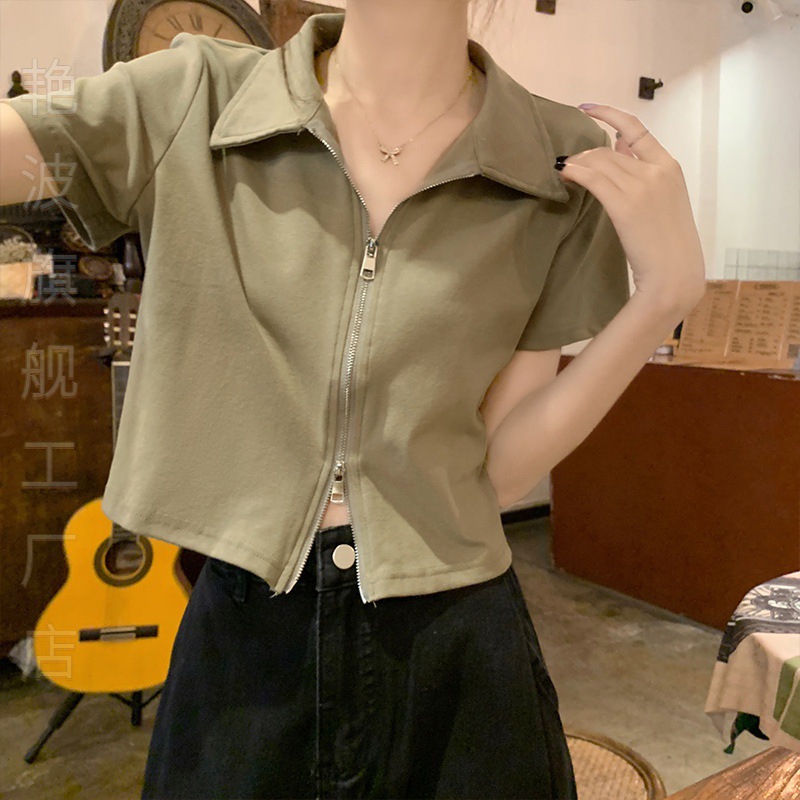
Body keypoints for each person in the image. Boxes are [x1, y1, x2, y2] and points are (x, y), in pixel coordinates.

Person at [0, 0, 706, 797]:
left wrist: (664, 294)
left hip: (456, 641)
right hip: (245, 643)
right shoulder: (192, 99)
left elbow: (501, 472)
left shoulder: (557, 158)